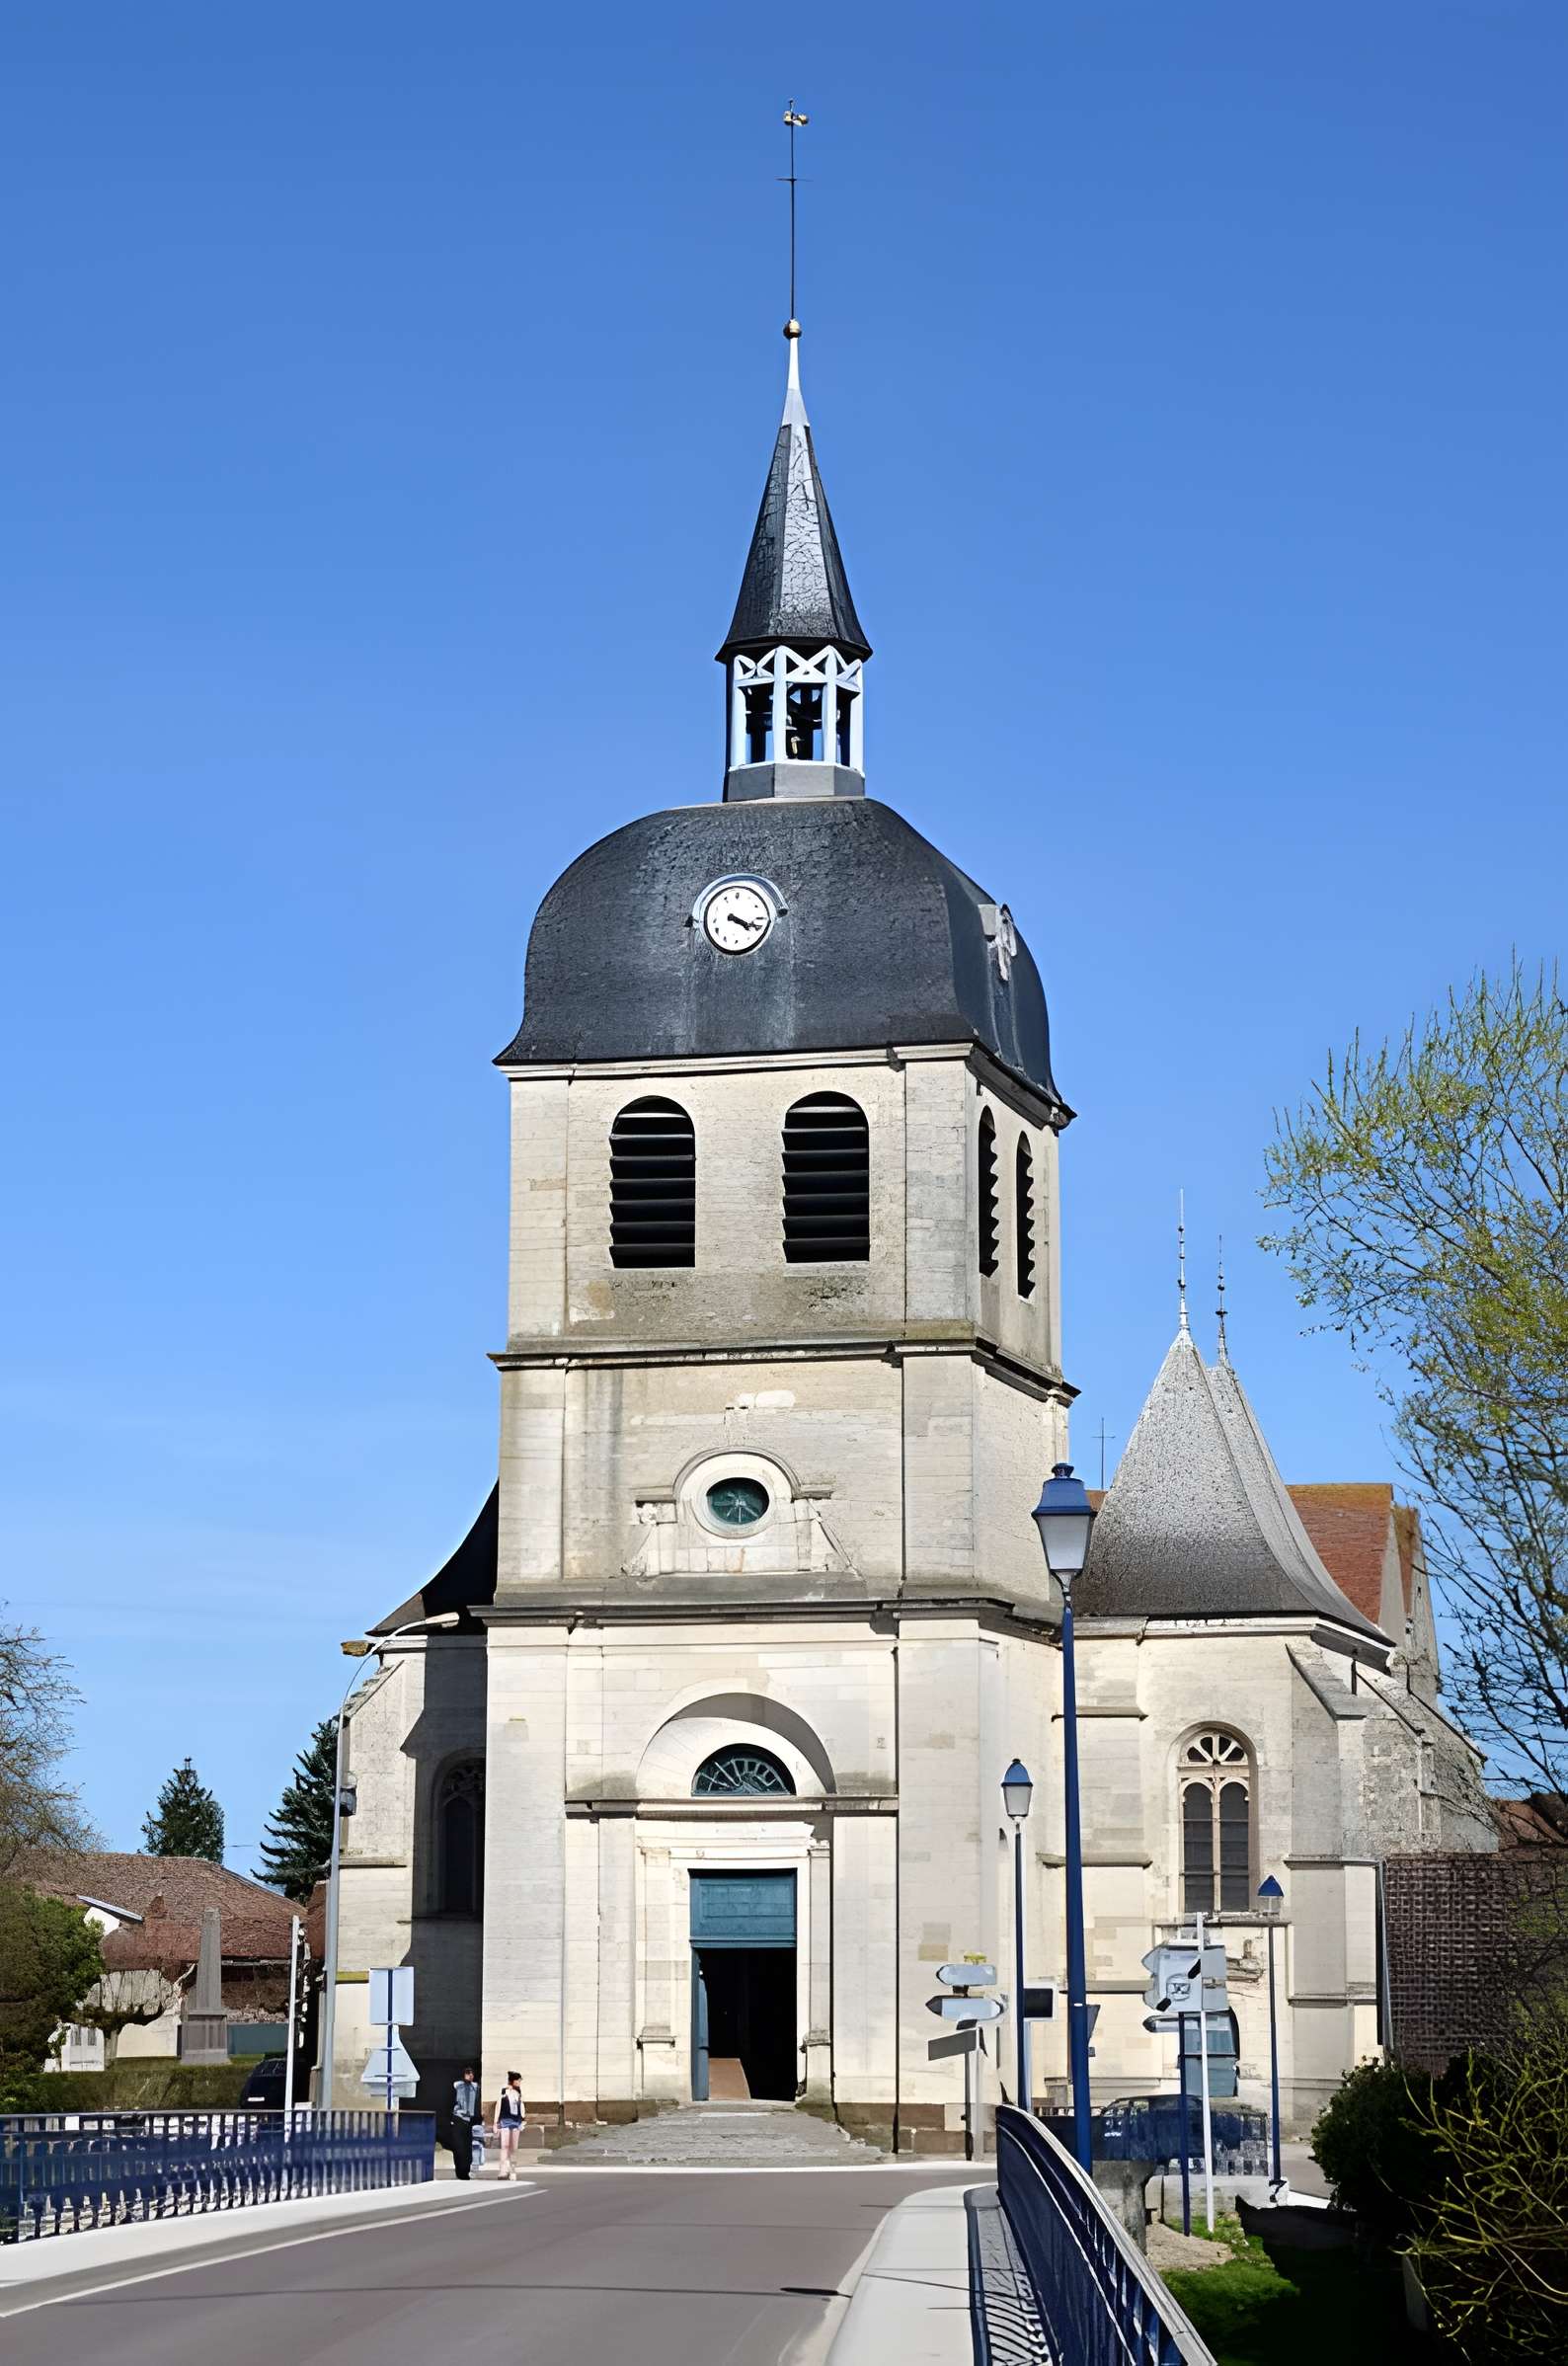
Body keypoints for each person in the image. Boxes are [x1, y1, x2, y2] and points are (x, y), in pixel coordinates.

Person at [449, 2065, 480, 2179]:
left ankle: (466, 2170)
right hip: (458, 2118)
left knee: (467, 2147)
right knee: (458, 2146)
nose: (470, 2075)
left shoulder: (475, 2087)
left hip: (469, 2120)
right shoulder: (457, 2086)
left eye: (471, 2073)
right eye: (468, 2073)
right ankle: (460, 2170)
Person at [496, 2071, 525, 2178]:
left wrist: (522, 2120)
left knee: (514, 2148)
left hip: (516, 2121)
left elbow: (522, 2106)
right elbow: (498, 2106)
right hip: (505, 2120)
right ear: (513, 2080)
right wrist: (495, 2122)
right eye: (518, 2080)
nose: (520, 2082)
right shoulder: (504, 2092)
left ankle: (513, 2170)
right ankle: (503, 2170)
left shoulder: (518, 2093)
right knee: (504, 2146)